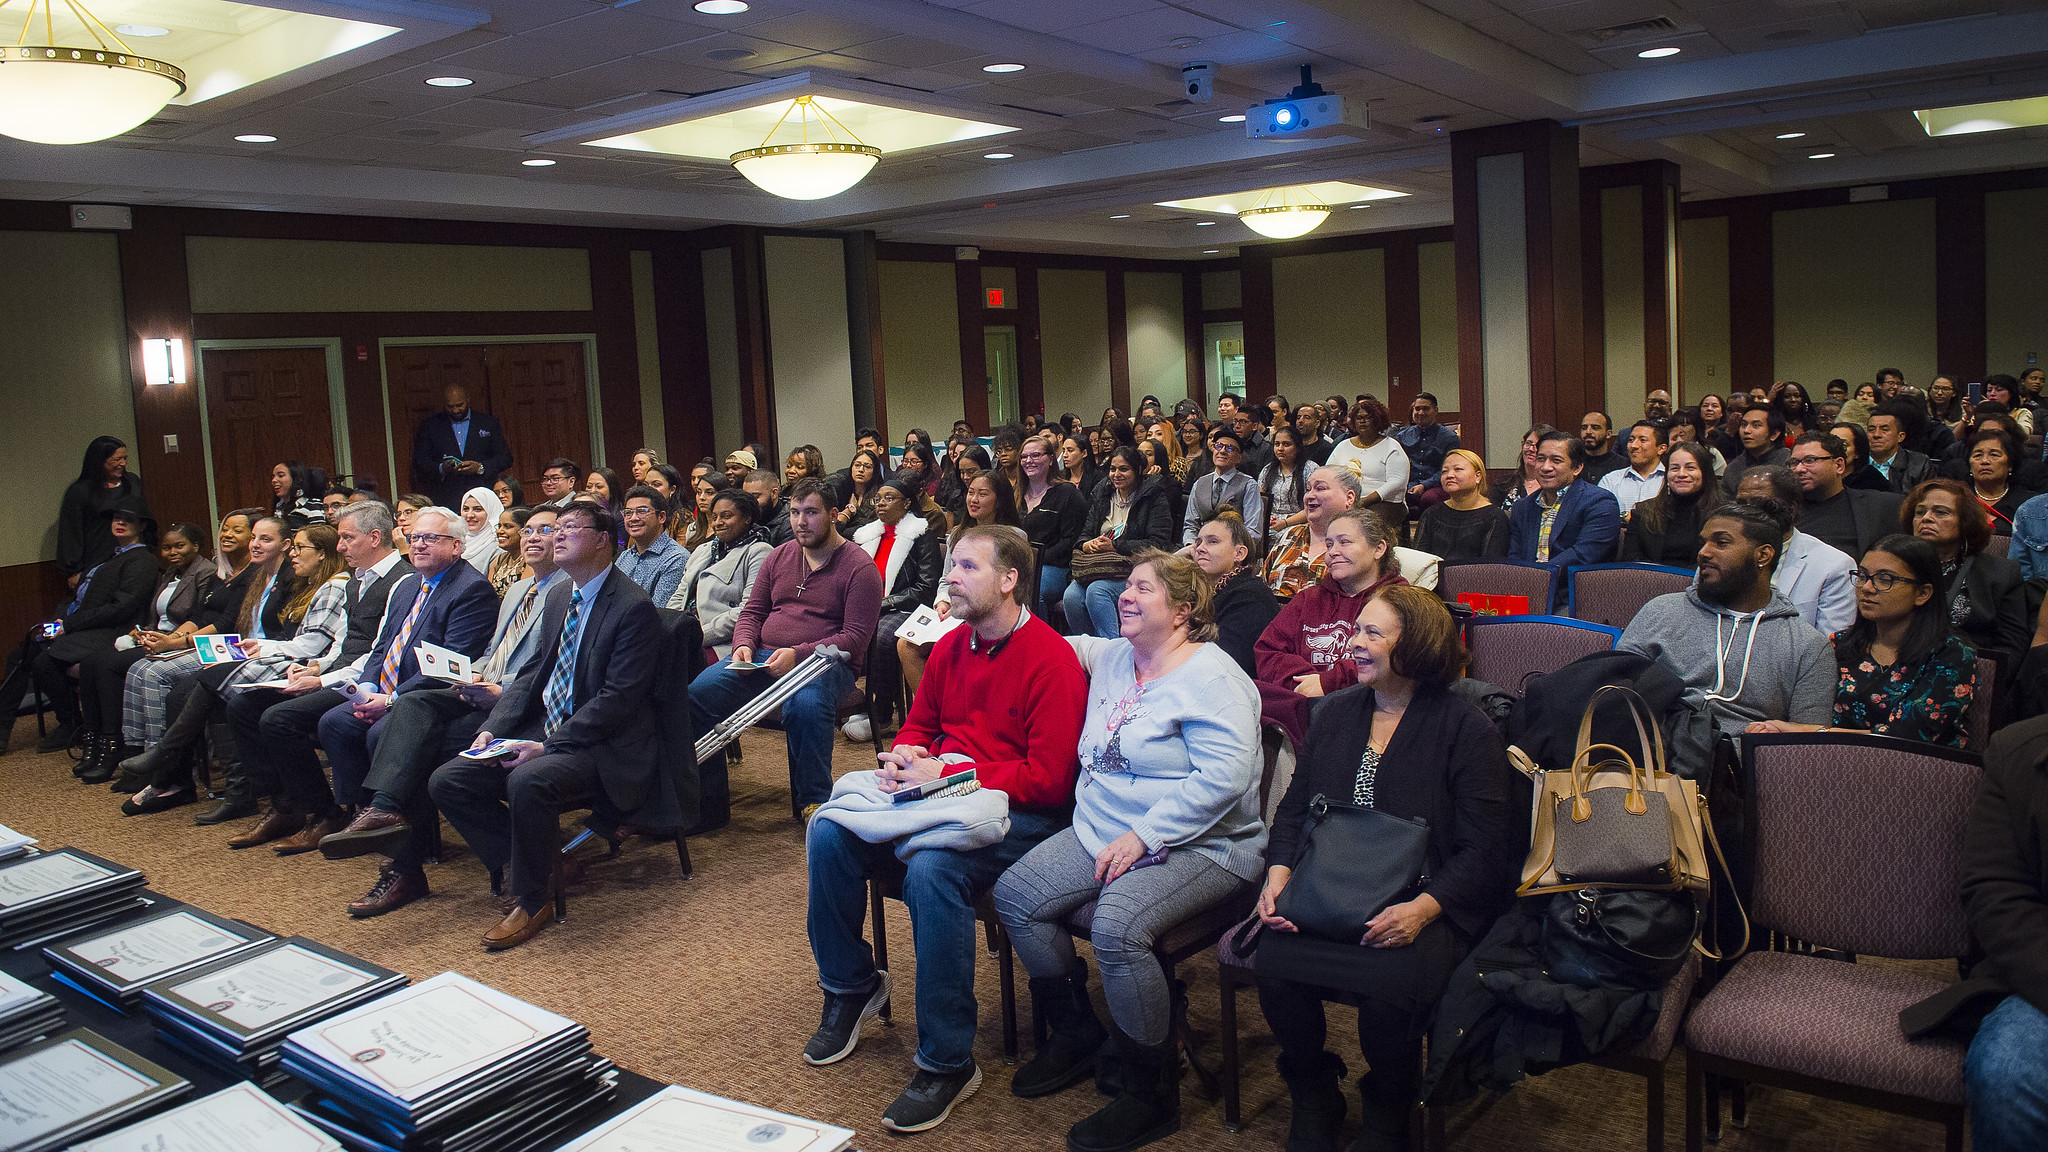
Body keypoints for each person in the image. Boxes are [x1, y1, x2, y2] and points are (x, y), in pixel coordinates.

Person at [803, 526, 1086, 1133]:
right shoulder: (954, 644)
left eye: (965, 566)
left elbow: (1050, 781)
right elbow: (918, 725)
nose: (949, 577)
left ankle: (947, 1059)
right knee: (829, 830)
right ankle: (851, 985)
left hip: (1019, 813)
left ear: (1008, 580)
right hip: (941, 795)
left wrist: (953, 773)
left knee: (933, 867)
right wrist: (907, 758)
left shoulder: (1051, 660)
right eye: (950, 565)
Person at [994, 550, 1264, 1152]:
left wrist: (1144, 836)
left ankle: (1150, 1091)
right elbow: (1048, 640)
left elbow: (1222, 782)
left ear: (1185, 610)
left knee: (1118, 927)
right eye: (1126, 587)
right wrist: (988, 605)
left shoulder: (1215, 680)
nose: (1125, 596)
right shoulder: (1115, 655)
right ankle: (1077, 1033)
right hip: (1103, 829)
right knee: (1016, 895)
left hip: (1205, 843)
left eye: (1143, 588)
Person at [1255, 587, 1515, 1152]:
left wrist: (1423, 910)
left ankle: (1388, 1103)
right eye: (1357, 630)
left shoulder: (1466, 729)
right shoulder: (1334, 713)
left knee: (1390, 988)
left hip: (1427, 894)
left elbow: (1486, 850)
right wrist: (1277, 876)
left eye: (1373, 633)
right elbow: (1295, 809)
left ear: (1417, 645)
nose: (1355, 643)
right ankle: (1314, 1089)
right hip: (1335, 883)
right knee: (1273, 962)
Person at [429, 499, 664, 951]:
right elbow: (535, 672)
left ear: (602, 541)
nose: (557, 536)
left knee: (528, 780)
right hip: (554, 727)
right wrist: (495, 727)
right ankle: (538, 863)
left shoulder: (632, 607)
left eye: (569, 527)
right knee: (450, 779)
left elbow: (618, 701)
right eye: (556, 528)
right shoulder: (559, 595)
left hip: (604, 743)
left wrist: (548, 746)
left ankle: (534, 897)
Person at [320, 507, 566, 917]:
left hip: (521, 706)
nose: (532, 537)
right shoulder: (521, 591)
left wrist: (497, 689)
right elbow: (489, 653)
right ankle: (400, 847)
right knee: (395, 732)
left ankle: (399, 836)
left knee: (406, 734)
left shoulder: (562, 593)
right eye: (527, 530)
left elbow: (552, 667)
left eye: (547, 530)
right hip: (475, 690)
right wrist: (475, 678)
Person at [265, 505, 500, 853]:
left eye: (431, 538)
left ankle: (405, 839)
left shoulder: (470, 589)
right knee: (335, 722)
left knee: (378, 731)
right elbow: (382, 648)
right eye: (414, 537)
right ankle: (365, 818)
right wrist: (368, 689)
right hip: (385, 690)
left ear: (456, 546)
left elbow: (448, 669)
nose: (418, 545)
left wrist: (389, 701)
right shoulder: (407, 586)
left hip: (430, 697)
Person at [199, 504, 415, 831]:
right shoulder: (358, 581)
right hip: (341, 672)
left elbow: (379, 654)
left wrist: (323, 679)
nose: (339, 547)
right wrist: (315, 669)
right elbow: (345, 643)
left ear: (374, 538)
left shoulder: (403, 580)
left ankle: (325, 813)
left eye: (346, 538)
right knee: (244, 705)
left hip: (365, 682)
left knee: (278, 718)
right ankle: (285, 805)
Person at [124, 522, 354, 825]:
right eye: (255, 538)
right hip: (277, 654)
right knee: (201, 685)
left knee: (212, 684)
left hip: (302, 664)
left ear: (321, 553)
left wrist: (262, 646)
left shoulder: (327, 584)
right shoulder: (268, 578)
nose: (294, 555)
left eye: (299, 548)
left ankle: (169, 757)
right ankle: (239, 793)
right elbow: (233, 620)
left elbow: (312, 644)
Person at [689, 478, 883, 821]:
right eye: (794, 512)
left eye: (810, 512)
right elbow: (751, 613)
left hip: (826, 665)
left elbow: (855, 638)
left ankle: (812, 803)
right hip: (764, 660)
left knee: (805, 703)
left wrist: (800, 654)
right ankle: (708, 803)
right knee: (698, 694)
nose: (800, 521)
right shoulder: (780, 555)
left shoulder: (860, 567)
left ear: (834, 514)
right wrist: (743, 645)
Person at [1618, 499, 1835, 769]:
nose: (1704, 553)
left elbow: (1810, 746)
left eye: (1721, 543)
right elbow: (1616, 692)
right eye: (1704, 542)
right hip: (1648, 760)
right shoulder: (1661, 610)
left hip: (1740, 775)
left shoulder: (1807, 646)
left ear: (1763, 556)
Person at [1746, 535, 1976, 749]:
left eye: (1885, 580)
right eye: (1863, 576)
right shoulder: (1839, 645)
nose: (1867, 588)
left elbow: (1903, 738)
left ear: (1922, 593)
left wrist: (1803, 731)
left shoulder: (1951, 655)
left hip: (1917, 775)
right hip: (1830, 766)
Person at [101, 509, 266, 796]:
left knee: (154, 673)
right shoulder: (222, 571)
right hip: (202, 641)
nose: (227, 534)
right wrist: (170, 636)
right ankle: (135, 749)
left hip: (229, 645)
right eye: (225, 529)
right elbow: (199, 615)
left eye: (237, 531)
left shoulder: (255, 573)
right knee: (139, 668)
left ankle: (158, 760)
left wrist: (174, 644)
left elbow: (225, 624)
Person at [0, 502, 158, 755]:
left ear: (141, 525)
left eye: (127, 519)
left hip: (111, 630)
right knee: (19, 656)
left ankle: (70, 724)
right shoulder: (109, 555)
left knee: (44, 662)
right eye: (116, 518)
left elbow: (121, 608)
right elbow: (75, 599)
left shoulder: (142, 560)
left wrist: (69, 625)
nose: (119, 522)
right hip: (80, 626)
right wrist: (59, 622)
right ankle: (2, 731)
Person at [69, 521, 222, 780]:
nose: (172, 552)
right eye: (166, 547)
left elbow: (199, 617)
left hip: (179, 642)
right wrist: (140, 631)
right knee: (93, 661)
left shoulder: (205, 572)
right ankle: (96, 743)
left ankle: (119, 747)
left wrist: (165, 638)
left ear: (196, 546)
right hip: (156, 636)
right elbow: (156, 614)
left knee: (109, 665)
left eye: (179, 546)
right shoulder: (168, 574)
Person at [1256, 507, 1408, 748]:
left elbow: (1395, 657)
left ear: (1378, 548)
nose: (1332, 553)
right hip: (1302, 703)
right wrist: (1306, 682)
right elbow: (1267, 650)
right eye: (1328, 545)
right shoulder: (1309, 599)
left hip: (1369, 712)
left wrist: (1328, 683)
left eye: (1344, 542)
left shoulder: (1401, 601)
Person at [1903, 479, 2031, 665]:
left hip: (1964, 674)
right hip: (1896, 669)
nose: (1926, 518)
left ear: (1965, 521)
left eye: (1940, 512)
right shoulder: (1893, 565)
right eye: (1920, 512)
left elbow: (2011, 648)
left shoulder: (2001, 573)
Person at [850, 478, 943, 736]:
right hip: (869, 606)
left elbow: (925, 588)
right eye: (878, 498)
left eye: (889, 498)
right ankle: (850, 700)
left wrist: (882, 603)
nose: (881, 503)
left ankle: (882, 713)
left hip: (906, 608)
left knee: (881, 637)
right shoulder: (869, 535)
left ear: (907, 503)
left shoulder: (922, 534)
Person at [1066, 447, 1178, 638]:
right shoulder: (1102, 494)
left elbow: (1159, 543)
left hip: (1136, 569)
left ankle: (1112, 649)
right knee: (1071, 597)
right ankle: (1090, 649)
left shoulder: (1153, 497)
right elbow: (1084, 534)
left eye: (1123, 469)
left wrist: (1116, 546)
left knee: (1097, 592)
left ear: (1138, 471)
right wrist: (1087, 544)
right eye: (1112, 469)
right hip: (1100, 566)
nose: (1116, 475)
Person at [1506, 431, 1622, 608]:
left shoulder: (1600, 502)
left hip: (1575, 598)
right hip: (1526, 594)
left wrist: (1539, 576)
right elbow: (1515, 555)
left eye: (1556, 460)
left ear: (1577, 468)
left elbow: (1584, 554)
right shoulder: (1523, 507)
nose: (1545, 467)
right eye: (1541, 459)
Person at [1736, 469, 1856, 636]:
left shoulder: (1834, 566)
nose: (1746, 513)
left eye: (1759, 503)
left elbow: (1830, 644)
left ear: (1790, 509)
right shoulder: (1716, 555)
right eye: (1741, 504)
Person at [669, 489, 773, 659]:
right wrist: (668, 626)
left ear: (747, 517)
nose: (718, 522)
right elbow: (680, 594)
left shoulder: (759, 551)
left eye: (726, 516)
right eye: (715, 516)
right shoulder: (703, 549)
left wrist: (698, 635)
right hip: (684, 634)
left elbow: (747, 610)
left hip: (722, 642)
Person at [1787, 431, 1904, 560]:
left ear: (1839, 465)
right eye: (1794, 462)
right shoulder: (1783, 511)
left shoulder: (1883, 505)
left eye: (1810, 460)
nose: (1799, 469)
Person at [1190, 510, 1278, 679]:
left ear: (1239, 553)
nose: (1200, 549)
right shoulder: (1201, 591)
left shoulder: (1252, 597)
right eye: (1198, 543)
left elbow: (1225, 664)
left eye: (1212, 541)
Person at [57, 436, 149, 584]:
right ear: (99, 460)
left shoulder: (132, 482)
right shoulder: (81, 490)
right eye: (116, 459)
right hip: (96, 563)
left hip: (133, 559)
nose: (123, 464)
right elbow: (71, 532)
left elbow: (145, 518)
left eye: (125, 458)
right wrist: (74, 570)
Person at [1265, 467, 1365, 600]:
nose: (1310, 496)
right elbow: (1262, 587)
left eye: (1320, 488)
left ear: (1349, 498)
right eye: (1308, 489)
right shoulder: (1291, 534)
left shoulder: (1362, 543)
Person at [1016, 435, 1087, 619]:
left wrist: (1035, 560)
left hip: (1057, 567)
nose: (1028, 461)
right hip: (1020, 565)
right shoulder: (1015, 495)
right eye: (1024, 457)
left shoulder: (1067, 493)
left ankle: (1041, 642)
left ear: (1050, 459)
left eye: (1035, 455)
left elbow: (1070, 541)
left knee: (1031, 589)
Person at [1621, 442, 1723, 569]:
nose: (1681, 474)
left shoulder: (1722, 515)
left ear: (1705, 473)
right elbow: (1631, 558)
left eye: (1690, 468)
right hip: (1651, 582)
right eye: (1674, 468)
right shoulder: (1643, 512)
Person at [410, 385, 512, 509]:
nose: (455, 410)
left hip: (483, 493)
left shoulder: (487, 423)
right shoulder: (431, 426)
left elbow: (505, 458)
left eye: (459, 405)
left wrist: (480, 467)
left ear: (468, 399)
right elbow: (420, 462)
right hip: (447, 496)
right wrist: (442, 468)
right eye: (450, 406)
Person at [1414, 449, 1508, 562]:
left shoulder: (1494, 517)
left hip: (1477, 578)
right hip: (1433, 577)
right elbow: (1418, 560)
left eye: (1457, 469)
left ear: (1478, 476)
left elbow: (1491, 566)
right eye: (1444, 471)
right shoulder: (1431, 514)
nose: (1449, 475)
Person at [1325, 398, 1409, 518]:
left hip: (1384, 503)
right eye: (1358, 418)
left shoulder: (1391, 446)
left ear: (1378, 420)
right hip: (1346, 500)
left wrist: (1366, 500)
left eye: (1368, 417)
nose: (1362, 421)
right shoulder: (1343, 445)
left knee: (1361, 522)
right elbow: (1328, 473)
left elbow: (1397, 482)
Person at [1182, 427, 1265, 546]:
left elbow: (1253, 531)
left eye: (1230, 448)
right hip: (1200, 547)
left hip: (1232, 549)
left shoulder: (1248, 484)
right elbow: (1190, 524)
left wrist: (1228, 549)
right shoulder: (1200, 483)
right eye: (1219, 446)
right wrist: (1191, 546)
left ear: (1239, 458)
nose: (1222, 451)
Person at [614, 484, 688, 606]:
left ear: (661, 517)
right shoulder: (624, 557)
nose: (633, 518)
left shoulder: (676, 558)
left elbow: (660, 611)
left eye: (641, 511)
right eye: (628, 512)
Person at [1392, 393, 1458, 510]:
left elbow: (1447, 469)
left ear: (1435, 410)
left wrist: (1424, 485)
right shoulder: (1401, 436)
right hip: (1408, 484)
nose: (1421, 413)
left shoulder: (1449, 438)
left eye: (1426, 409)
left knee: (1429, 499)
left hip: (1436, 485)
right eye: (1417, 409)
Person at [1966, 429, 2038, 531]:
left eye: (1994, 455)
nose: (1984, 461)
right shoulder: (1958, 497)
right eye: (1978, 455)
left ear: (2010, 465)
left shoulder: (2028, 504)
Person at [1598, 420, 1668, 517]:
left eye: (1643, 440)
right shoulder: (1611, 480)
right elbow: (1600, 516)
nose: (1634, 446)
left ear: (1661, 448)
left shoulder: (1670, 480)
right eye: (1631, 440)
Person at [1260, 424, 1311, 553]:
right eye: (1277, 444)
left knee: (1285, 538)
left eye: (1286, 444)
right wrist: (1266, 516)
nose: (1280, 449)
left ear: (1297, 447)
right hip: (1271, 523)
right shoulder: (1268, 470)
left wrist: (1285, 523)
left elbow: (1312, 507)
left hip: (1298, 523)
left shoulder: (1309, 469)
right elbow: (1260, 500)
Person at [1865, 403, 1936, 494]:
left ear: (1900, 437)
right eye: (1871, 430)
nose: (1876, 435)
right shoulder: (1857, 462)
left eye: (1884, 430)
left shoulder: (1919, 464)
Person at [1489, 424, 1555, 517]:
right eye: (1528, 443)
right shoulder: (1503, 483)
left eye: (1537, 445)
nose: (1531, 449)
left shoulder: (1554, 486)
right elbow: (1491, 517)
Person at [1722, 406, 1790, 485]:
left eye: (1756, 425)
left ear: (1774, 434)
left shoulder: (1788, 461)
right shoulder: (1733, 469)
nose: (1746, 431)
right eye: (1743, 425)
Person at [835, 448, 886, 533]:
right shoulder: (841, 491)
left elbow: (876, 527)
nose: (861, 470)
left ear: (875, 471)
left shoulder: (880, 495)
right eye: (857, 465)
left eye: (867, 466)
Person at [456, 486, 504, 575]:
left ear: (491, 512)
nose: (469, 515)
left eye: (478, 509)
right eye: (466, 509)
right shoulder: (456, 542)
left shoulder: (498, 548)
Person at [745, 468, 794, 548]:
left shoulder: (791, 521)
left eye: (755, 497)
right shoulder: (745, 518)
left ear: (774, 493)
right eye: (746, 497)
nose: (749, 503)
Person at [486, 506, 529, 596]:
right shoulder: (498, 560)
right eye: (499, 526)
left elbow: (524, 595)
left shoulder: (530, 560)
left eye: (508, 526)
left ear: (524, 530)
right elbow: (489, 595)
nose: (499, 531)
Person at [270, 461, 327, 527]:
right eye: (273, 477)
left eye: (280, 476)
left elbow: (319, 535)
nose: (274, 480)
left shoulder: (312, 506)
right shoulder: (279, 507)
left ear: (297, 479)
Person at [1577, 411, 1628, 481]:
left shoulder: (1623, 465)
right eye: (1584, 428)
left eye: (1595, 428)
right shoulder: (1573, 461)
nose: (1588, 431)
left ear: (1608, 434)